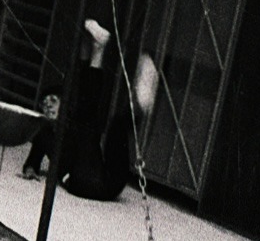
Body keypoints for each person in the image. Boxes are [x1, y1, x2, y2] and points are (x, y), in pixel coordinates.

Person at [21, 20, 158, 202]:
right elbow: (33, 161)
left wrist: (85, 49)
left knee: (114, 125)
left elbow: (84, 94)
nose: (47, 106)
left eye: (53, 100)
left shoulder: (75, 120)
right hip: (80, 182)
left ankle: (139, 106)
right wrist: (30, 170)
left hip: (109, 182)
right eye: (44, 104)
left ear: (64, 104)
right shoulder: (44, 134)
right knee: (86, 115)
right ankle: (99, 50)